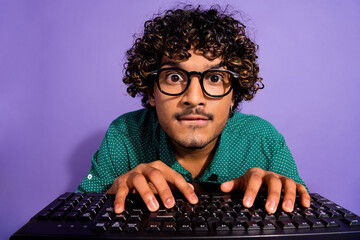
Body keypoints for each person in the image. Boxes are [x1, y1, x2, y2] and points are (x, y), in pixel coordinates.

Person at [77, 5, 310, 215]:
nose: (193, 98)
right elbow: (77, 214)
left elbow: (306, 212)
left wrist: (287, 201)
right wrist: (109, 196)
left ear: (234, 95)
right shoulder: (124, 135)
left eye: (215, 77)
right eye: (174, 76)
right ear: (151, 92)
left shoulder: (264, 141)